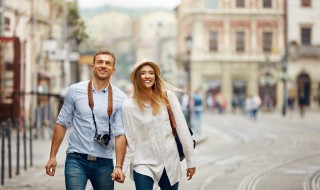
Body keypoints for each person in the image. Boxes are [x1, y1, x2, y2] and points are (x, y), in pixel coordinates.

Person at [45, 50, 127, 190]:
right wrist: (52, 156)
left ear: (113, 70)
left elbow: (120, 133)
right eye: (100, 62)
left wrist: (119, 166)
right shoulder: (75, 90)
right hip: (76, 159)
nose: (103, 65)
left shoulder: (120, 97)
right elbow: (62, 122)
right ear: (92, 66)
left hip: (104, 162)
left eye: (108, 63)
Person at [120, 60, 196, 190]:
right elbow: (130, 140)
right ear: (137, 78)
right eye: (143, 73)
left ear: (155, 77)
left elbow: (182, 130)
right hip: (142, 162)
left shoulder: (168, 97)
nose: (147, 76)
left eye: (151, 73)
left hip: (168, 160)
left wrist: (191, 161)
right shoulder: (128, 106)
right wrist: (122, 168)